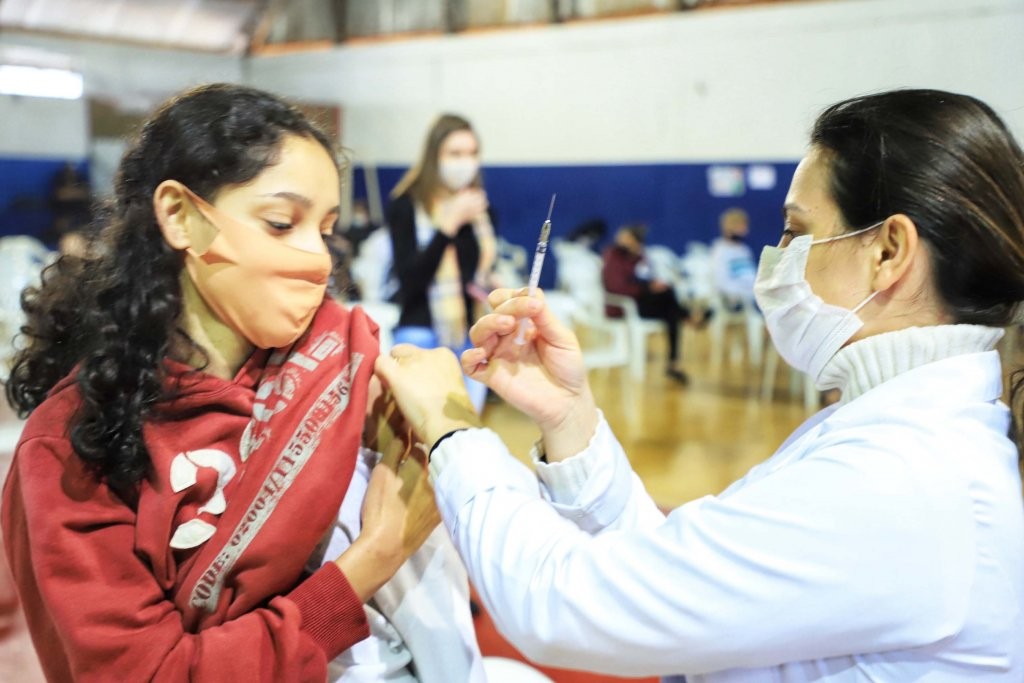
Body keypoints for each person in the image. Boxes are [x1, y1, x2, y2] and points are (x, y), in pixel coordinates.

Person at [376, 89, 1024, 680]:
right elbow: (672, 567)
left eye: (796, 233)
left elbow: (563, 602)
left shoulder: (907, 474)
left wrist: (454, 430)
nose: (778, 257)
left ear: (887, 252)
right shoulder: (889, 427)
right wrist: (571, 418)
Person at [0, 83, 468, 682]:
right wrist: (374, 557)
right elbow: (154, 674)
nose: (318, 260)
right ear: (181, 217)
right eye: (280, 223)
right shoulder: (71, 449)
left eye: (324, 230)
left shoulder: (339, 354)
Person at [386, 113, 497, 352]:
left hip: (469, 335)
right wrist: (447, 227)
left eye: (472, 153)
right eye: (455, 154)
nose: (465, 162)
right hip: (420, 333)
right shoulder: (406, 205)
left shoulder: (479, 211)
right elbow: (410, 281)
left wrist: (491, 283)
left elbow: (472, 275)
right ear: (434, 157)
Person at [602, 223, 691, 383]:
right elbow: (617, 287)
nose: (621, 240)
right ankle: (688, 317)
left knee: (670, 309)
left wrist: (651, 284)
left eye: (626, 238)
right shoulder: (613, 256)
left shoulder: (640, 257)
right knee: (669, 300)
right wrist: (646, 287)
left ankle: (674, 363)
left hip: (641, 302)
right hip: (623, 306)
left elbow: (645, 277)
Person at [708, 207, 757, 311]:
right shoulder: (720, 250)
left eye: (745, 226)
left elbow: (752, 276)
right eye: (741, 226)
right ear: (729, 227)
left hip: (753, 294)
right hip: (734, 300)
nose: (745, 230)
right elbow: (720, 282)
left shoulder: (744, 250)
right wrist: (745, 293)